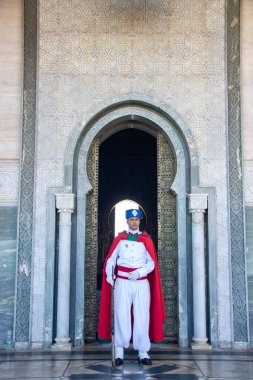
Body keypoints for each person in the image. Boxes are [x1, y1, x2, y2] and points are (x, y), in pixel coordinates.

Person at [98, 208, 165, 366]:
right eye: (131, 220)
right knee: (121, 315)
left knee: (142, 316)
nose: (134, 222)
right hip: (122, 281)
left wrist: (141, 272)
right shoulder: (119, 239)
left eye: (137, 220)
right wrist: (109, 274)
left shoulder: (146, 239)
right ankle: (120, 350)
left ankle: (143, 352)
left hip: (141, 282)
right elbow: (111, 259)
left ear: (139, 221)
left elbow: (151, 262)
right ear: (127, 221)